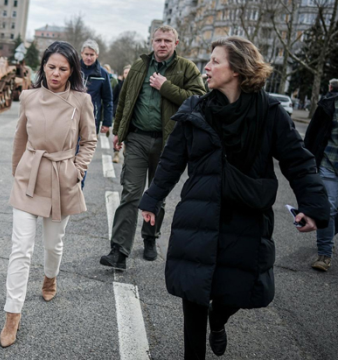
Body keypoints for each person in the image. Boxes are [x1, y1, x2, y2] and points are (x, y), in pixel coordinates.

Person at [138, 36, 329, 360]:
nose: (207, 67)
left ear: (238, 69)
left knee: (237, 292)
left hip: (245, 218)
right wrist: (151, 199)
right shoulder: (194, 108)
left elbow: (298, 160)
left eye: (215, 61)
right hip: (198, 215)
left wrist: (313, 206)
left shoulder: (269, 112)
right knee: (194, 294)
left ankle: (220, 318)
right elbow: (173, 159)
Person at [0, 41, 97, 348]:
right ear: (43, 67)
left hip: (61, 178)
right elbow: (20, 137)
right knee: (20, 249)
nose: (56, 73)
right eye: (51, 67)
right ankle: (12, 314)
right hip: (29, 178)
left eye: (63, 68)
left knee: (53, 245)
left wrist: (76, 171)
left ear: (72, 71)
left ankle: (50, 276)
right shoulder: (28, 96)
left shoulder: (81, 100)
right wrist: (18, 172)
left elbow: (90, 140)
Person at [100, 25, 206, 269]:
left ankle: (150, 238)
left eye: (167, 40)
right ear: (152, 42)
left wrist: (165, 86)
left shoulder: (186, 68)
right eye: (158, 40)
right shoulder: (139, 65)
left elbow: (200, 100)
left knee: (157, 195)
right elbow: (125, 99)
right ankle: (119, 250)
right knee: (131, 193)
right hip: (137, 138)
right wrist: (119, 131)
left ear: (176, 43)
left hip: (169, 142)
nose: (162, 44)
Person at [304, 78, 338, 271]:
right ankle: (324, 254)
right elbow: (312, 133)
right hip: (329, 163)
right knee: (329, 208)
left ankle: (328, 230)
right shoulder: (329, 103)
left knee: (333, 213)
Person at [80, 39, 113, 135]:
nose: (89, 58)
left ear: (97, 55)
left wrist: (107, 122)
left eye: (92, 55)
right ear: (82, 53)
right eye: (86, 54)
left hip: (92, 119)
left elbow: (108, 100)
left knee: (87, 148)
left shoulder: (103, 74)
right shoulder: (73, 70)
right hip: (72, 117)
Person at [112, 65, 131, 164]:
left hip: (130, 116)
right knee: (118, 134)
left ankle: (126, 151)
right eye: (125, 73)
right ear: (123, 75)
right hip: (119, 114)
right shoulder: (119, 85)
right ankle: (116, 153)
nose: (127, 75)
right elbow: (113, 98)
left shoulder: (135, 87)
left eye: (129, 73)